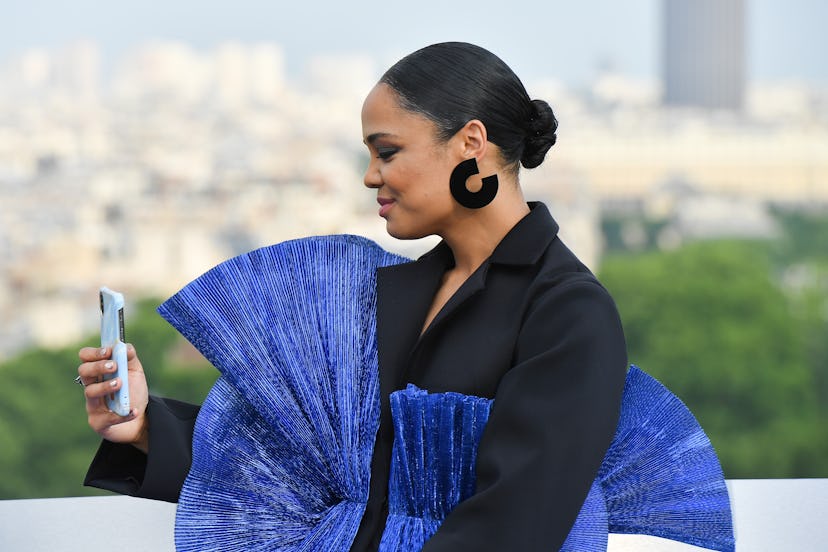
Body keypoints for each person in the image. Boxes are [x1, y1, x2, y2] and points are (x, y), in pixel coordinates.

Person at [77, 42, 627, 551]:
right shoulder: (385, 290)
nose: (370, 177)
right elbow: (300, 467)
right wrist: (145, 427)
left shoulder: (568, 313)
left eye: (386, 151)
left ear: (470, 143)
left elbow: (515, 528)